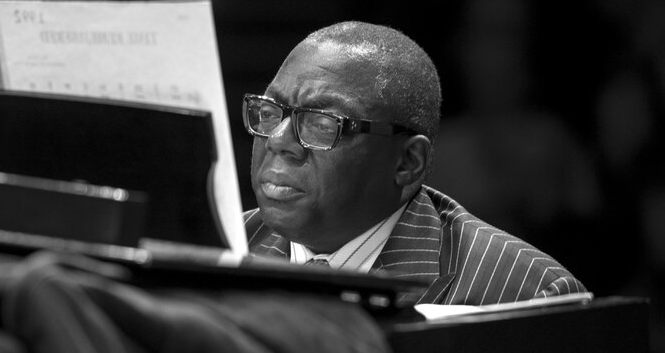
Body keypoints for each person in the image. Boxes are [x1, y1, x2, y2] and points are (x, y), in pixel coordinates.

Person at [242, 20, 587, 306]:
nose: (278, 140)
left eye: (321, 123)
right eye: (271, 112)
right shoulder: (216, 251)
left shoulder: (529, 294)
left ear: (408, 162)